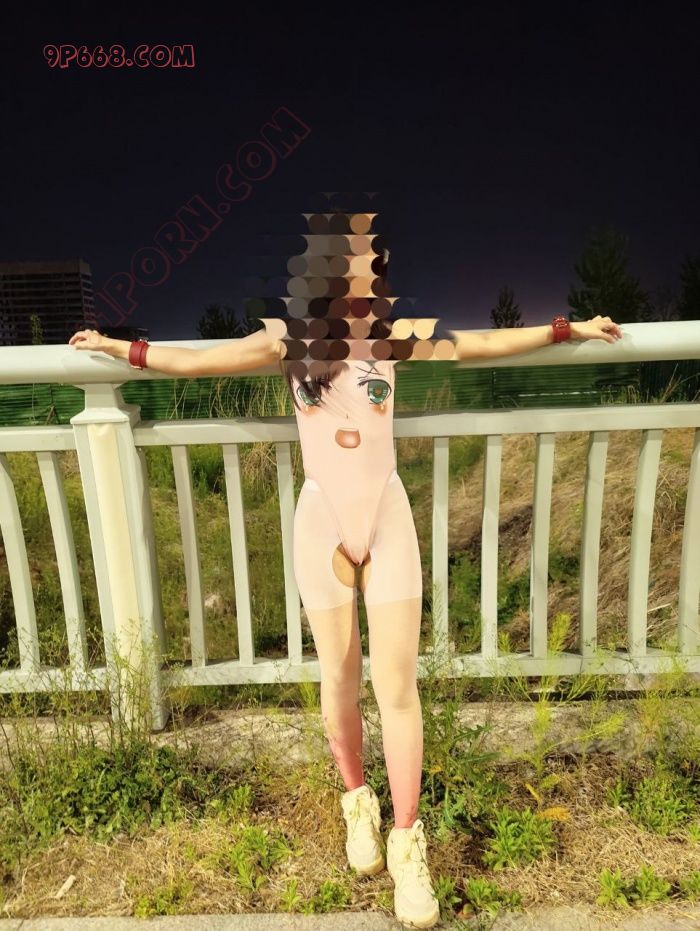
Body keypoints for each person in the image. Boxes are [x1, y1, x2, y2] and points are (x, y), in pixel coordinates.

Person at [68, 214, 622, 929]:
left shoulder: (395, 336)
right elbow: (197, 362)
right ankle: (357, 802)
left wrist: (565, 329)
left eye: (373, 271)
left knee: (397, 687)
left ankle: (407, 844)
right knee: (339, 675)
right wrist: (119, 347)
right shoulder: (286, 339)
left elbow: (481, 342)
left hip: (385, 517)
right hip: (322, 521)